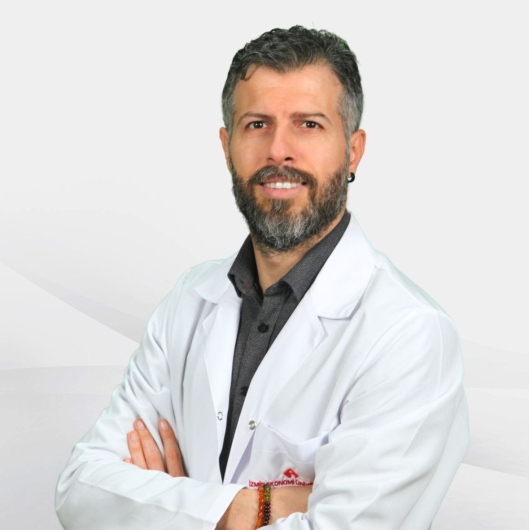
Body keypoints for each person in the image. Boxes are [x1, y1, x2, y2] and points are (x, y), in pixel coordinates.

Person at [56, 26, 468, 529]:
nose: (279, 150)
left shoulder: (410, 335)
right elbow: (80, 489)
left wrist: (168, 505)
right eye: (256, 124)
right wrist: (247, 508)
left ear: (353, 150)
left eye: (309, 124)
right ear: (227, 145)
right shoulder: (189, 299)